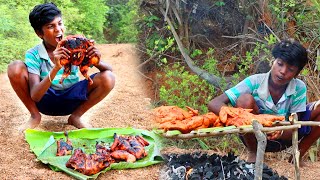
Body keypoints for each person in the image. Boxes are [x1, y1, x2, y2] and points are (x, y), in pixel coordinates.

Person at [208, 39, 320, 166]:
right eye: (280, 64)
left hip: (283, 137)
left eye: (290, 69)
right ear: (272, 62)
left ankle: (297, 154)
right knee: (244, 100)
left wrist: (280, 131)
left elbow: (294, 124)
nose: (283, 71)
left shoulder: (299, 87)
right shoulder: (254, 81)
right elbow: (214, 103)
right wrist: (242, 117)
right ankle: (253, 152)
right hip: (253, 135)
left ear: (296, 74)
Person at [7, 2, 115, 130]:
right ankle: (35, 116)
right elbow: (35, 95)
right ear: (39, 33)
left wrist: (96, 61)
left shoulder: (75, 45)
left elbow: (109, 73)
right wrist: (56, 68)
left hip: (72, 98)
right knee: (15, 67)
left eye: (60, 23)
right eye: (50, 26)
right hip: (45, 100)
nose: (58, 29)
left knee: (108, 77)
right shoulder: (33, 54)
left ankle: (76, 117)